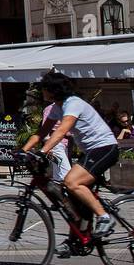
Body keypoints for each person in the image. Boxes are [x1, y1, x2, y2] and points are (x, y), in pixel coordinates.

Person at [27, 71, 119, 237]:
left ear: (53, 90)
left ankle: (105, 217)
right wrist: (23, 151)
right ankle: (79, 237)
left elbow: (62, 130)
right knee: (72, 195)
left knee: (71, 182)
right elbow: (42, 132)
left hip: (105, 148)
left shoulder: (73, 103)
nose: (42, 91)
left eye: (44, 88)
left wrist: (42, 152)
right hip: (91, 151)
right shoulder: (57, 107)